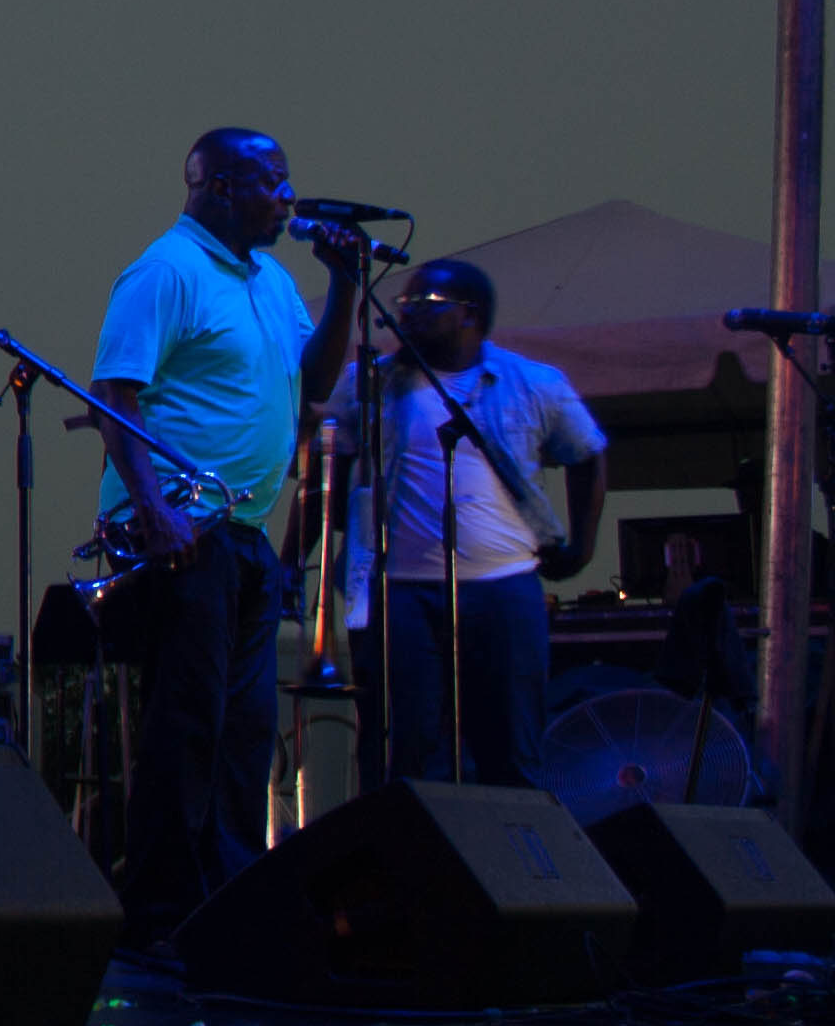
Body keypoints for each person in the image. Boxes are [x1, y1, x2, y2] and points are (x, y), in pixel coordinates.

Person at [88, 128, 358, 943]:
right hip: (178, 529)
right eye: (271, 182)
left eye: (286, 181)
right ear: (216, 186)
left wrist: (343, 287)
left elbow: (314, 383)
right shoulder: (166, 271)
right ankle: (163, 912)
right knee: (188, 722)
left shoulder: (271, 280)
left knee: (243, 731)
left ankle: (228, 899)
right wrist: (156, 508)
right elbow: (112, 393)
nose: (288, 197)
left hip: (242, 531)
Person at [337, 258, 606, 788]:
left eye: (428, 306)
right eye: (406, 304)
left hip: (502, 588)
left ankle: (511, 863)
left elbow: (587, 455)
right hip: (400, 593)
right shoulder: (369, 383)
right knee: (405, 747)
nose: (410, 315)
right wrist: (294, 556)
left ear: (471, 315)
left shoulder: (531, 382)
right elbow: (329, 465)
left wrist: (581, 546)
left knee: (510, 746)